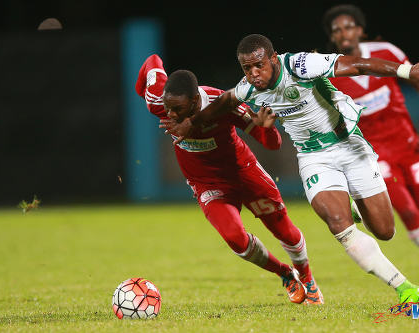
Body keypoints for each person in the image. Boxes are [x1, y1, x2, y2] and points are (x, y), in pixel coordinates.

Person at [162, 33, 419, 304]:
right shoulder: (248, 88)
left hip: (350, 146)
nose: (253, 75)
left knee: (385, 231)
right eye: (246, 68)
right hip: (314, 158)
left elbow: (356, 65)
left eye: (258, 66)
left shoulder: (300, 65)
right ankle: (405, 289)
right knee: (339, 226)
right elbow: (224, 102)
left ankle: (355, 207)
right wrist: (192, 123)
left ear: (273, 58)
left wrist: (406, 71)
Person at [135, 54, 324, 305]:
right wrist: (141, 88)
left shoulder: (224, 104)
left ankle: (308, 278)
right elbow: (152, 61)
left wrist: (267, 127)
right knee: (236, 239)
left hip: (243, 173)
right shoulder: (159, 100)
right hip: (207, 183)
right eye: (167, 108)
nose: (169, 113)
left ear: (194, 101)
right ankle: (285, 273)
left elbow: (272, 144)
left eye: (177, 109)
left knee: (283, 230)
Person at [322, 4, 419, 282]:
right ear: (332, 37)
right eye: (336, 30)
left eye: (349, 26)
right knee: (410, 214)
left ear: (360, 30)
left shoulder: (386, 52)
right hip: (376, 156)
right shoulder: (332, 71)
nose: (344, 33)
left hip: (408, 145)